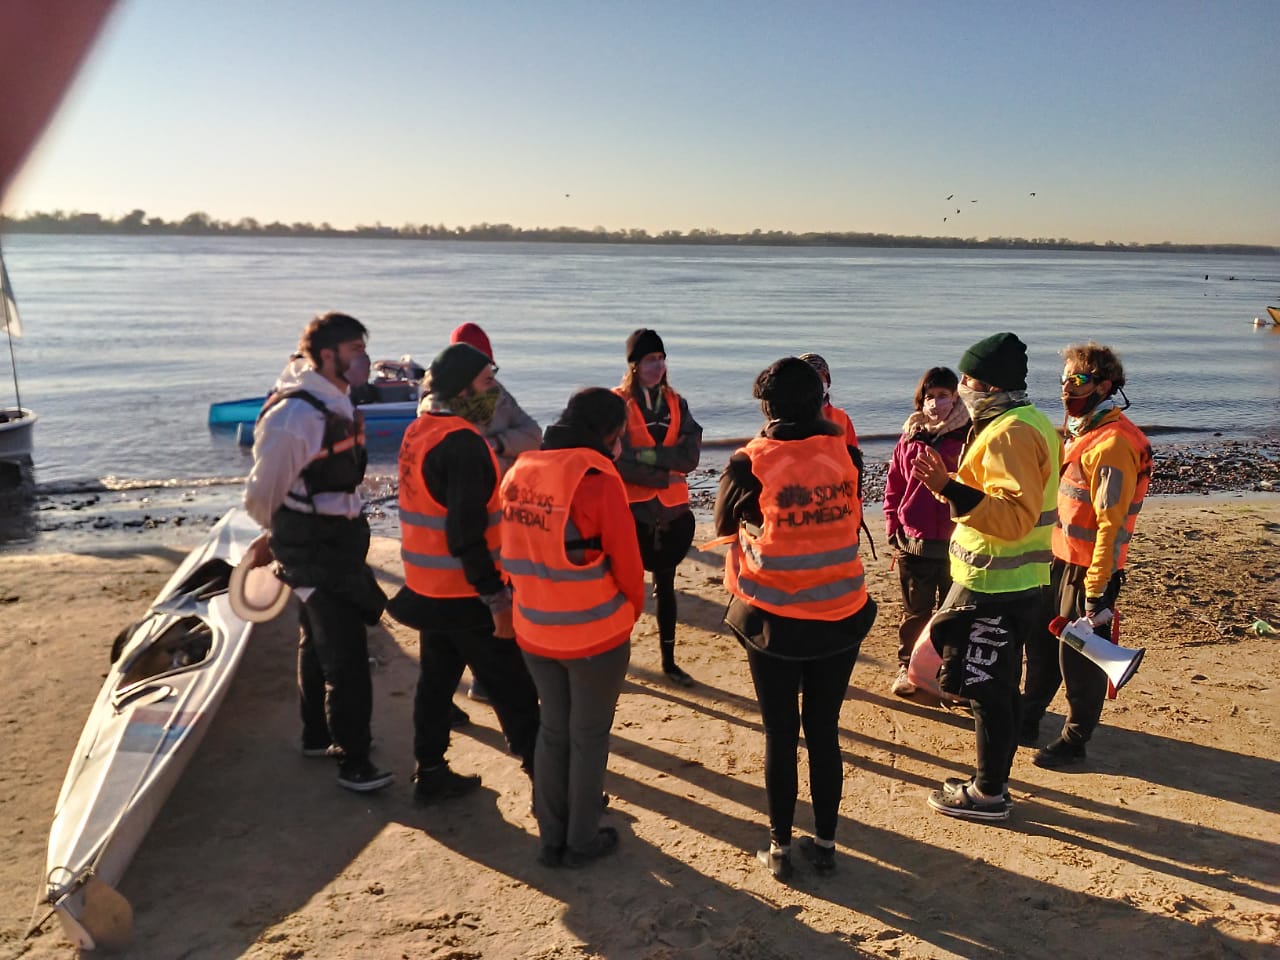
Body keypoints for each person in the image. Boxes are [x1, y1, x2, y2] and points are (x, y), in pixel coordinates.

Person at [712, 357, 877, 879]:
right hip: (842, 614)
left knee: (780, 735)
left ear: (766, 407)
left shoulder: (750, 463)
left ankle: (780, 847)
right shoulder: (844, 454)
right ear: (819, 401)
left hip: (775, 620)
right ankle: (825, 844)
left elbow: (721, 524)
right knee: (823, 731)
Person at [911, 332, 1061, 822]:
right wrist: (946, 488)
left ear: (991, 385)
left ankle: (989, 793)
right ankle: (990, 783)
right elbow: (998, 501)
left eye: (970, 379)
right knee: (992, 686)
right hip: (1011, 580)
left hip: (995, 584)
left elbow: (1013, 516)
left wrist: (948, 486)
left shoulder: (1010, 432)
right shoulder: (1024, 420)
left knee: (985, 687)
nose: (963, 387)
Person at [243, 311, 393, 793]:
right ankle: (353, 761)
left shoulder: (335, 399)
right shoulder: (296, 416)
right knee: (347, 654)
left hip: (335, 541)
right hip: (314, 546)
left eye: (362, 349)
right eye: (353, 351)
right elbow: (262, 492)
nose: (363, 360)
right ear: (326, 356)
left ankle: (316, 734)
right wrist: (274, 534)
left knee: (316, 638)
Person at [387, 342, 541, 805]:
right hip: (467, 593)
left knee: (436, 683)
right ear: (461, 388)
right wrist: (496, 598)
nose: (494, 391)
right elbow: (464, 534)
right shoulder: (464, 444)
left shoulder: (421, 429)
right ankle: (556, 791)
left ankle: (430, 772)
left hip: (427, 587)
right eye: (487, 382)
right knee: (516, 694)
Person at [502, 388, 645, 868]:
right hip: (594, 634)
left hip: (534, 629)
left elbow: (506, 547)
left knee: (552, 730)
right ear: (610, 434)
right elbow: (628, 563)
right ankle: (581, 839)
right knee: (589, 736)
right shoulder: (598, 480)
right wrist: (630, 610)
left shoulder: (521, 471)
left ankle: (551, 835)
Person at [1022, 343, 1152, 766]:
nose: (1066, 390)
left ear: (1105, 385)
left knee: (1079, 658)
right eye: (1063, 380)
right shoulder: (1082, 432)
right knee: (1041, 647)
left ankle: (1074, 741)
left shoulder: (1113, 444)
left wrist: (1096, 590)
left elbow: (1109, 528)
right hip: (1058, 560)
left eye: (1076, 380)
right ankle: (1028, 716)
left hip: (1089, 571)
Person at [430, 322, 542, 705]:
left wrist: (495, 442)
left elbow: (533, 434)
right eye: (484, 372)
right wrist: (490, 452)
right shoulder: (435, 411)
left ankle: (473, 688)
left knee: (489, 599)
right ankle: (481, 685)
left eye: (492, 369)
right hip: (459, 525)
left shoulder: (496, 396)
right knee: (470, 606)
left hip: (501, 512)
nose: (491, 379)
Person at [613, 329, 703, 686]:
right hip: (631, 512)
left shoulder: (677, 403)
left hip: (671, 513)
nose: (658, 365)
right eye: (651, 359)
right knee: (625, 590)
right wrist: (664, 469)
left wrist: (648, 457)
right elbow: (616, 459)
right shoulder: (617, 403)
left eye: (661, 359)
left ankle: (669, 662)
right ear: (634, 365)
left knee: (666, 588)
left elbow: (691, 456)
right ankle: (617, 661)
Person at [882, 367, 970, 696]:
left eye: (943, 396)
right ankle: (909, 666)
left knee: (953, 614)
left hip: (955, 542)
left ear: (956, 397)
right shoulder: (910, 436)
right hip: (913, 543)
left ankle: (950, 673)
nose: (935, 404)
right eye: (929, 397)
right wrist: (893, 524)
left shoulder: (968, 437)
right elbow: (894, 485)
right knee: (915, 613)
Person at [798, 353, 860, 450]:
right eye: (808, 379)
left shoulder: (841, 419)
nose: (814, 384)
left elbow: (854, 459)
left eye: (818, 377)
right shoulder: (787, 419)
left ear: (828, 381)